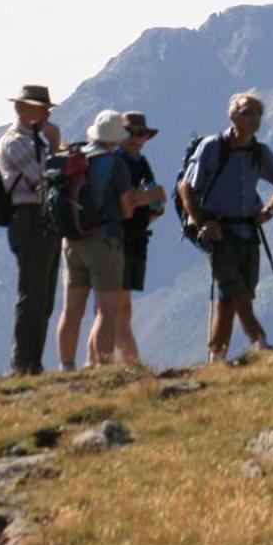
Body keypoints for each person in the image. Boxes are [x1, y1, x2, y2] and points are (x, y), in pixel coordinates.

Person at [179, 92, 273, 363]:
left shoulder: (259, 152)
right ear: (232, 116)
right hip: (219, 233)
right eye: (246, 112)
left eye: (257, 113)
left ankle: (217, 358)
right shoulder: (211, 147)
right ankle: (260, 341)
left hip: (247, 232)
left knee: (231, 297)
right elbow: (185, 186)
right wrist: (202, 223)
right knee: (236, 290)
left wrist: (269, 212)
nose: (253, 118)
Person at [56, 110, 154, 369]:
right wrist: (143, 197)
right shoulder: (115, 164)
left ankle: (66, 365)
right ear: (117, 137)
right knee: (107, 311)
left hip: (71, 240)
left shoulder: (75, 156)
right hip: (104, 241)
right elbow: (126, 210)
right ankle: (102, 366)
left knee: (71, 310)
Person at [92, 110, 164, 365]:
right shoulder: (118, 163)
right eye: (130, 133)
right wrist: (151, 197)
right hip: (117, 241)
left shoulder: (140, 163)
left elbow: (152, 206)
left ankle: (97, 362)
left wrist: (151, 204)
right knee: (116, 310)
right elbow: (128, 205)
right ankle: (126, 364)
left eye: (141, 134)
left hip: (135, 239)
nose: (136, 138)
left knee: (115, 310)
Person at [0, 83, 61, 375]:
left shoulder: (38, 140)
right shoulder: (15, 142)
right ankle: (23, 362)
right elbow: (43, 178)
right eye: (40, 109)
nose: (46, 114)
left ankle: (33, 361)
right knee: (32, 294)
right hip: (28, 217)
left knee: (44, 296)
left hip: (44, 218)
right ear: (23, 109)